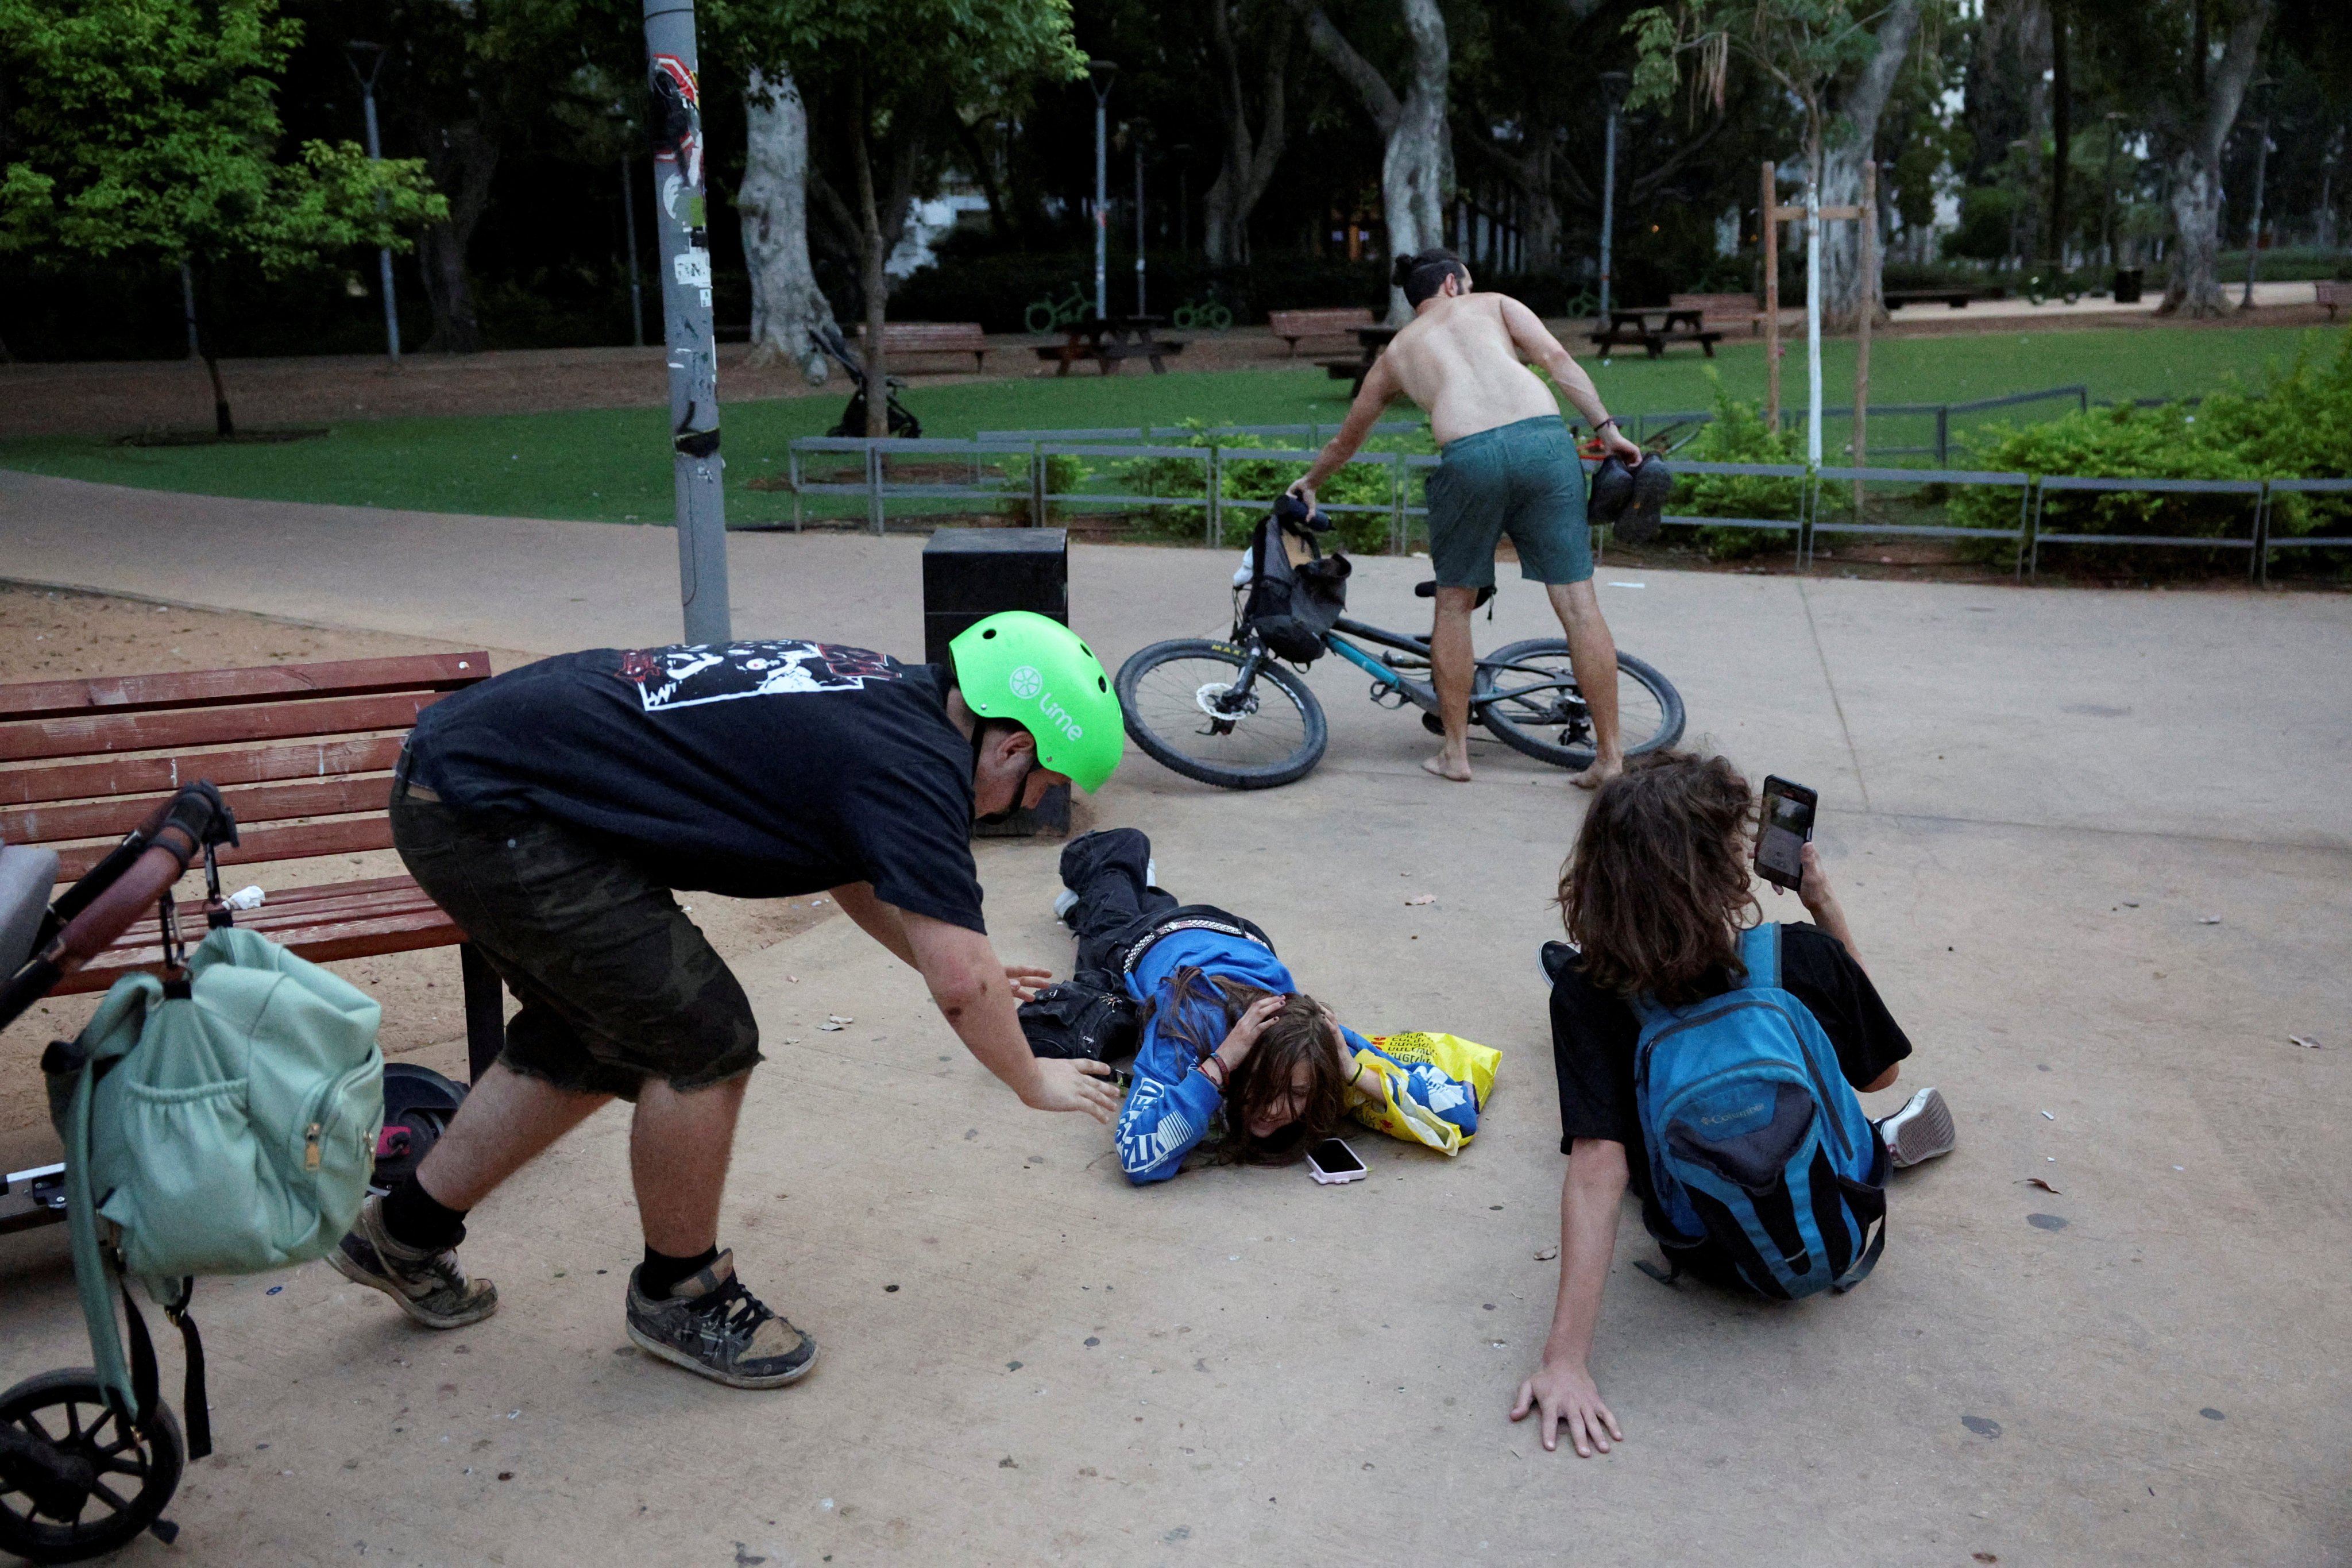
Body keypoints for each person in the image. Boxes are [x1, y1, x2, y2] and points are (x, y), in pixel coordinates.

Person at [332, 615, 1125, 1389]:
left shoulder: (891, 702)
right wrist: (1029, 1075)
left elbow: (854, 867)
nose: (1030, 803)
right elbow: (966, 986)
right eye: (1042, 783)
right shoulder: (914, 766)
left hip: (482, 771)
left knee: (589, 1033)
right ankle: (682, 1293)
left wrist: (945, 959)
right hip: (491, 803)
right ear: (1013, 743)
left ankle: (403, 1234)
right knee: (701, 1037)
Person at [1512, 752, 1956, 1455]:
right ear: (1724, 870)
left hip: (1705, 1243)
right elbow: (1881, 1070)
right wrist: (1823, 908)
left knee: (1619, 1120)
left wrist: (1565, 1361)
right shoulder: (1802, 955)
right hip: (1840, 1211)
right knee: (1844, 1100)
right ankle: (1877, 1145)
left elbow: (1599, 1168)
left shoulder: (1588, 996)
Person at [1285, 248, 1647, 789]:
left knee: (1454, 606)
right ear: (1454, 285)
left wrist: (1310, 483)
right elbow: (1558, 362)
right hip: (1544, 446)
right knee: (1577, 604)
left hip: (1468, 458)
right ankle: (1610, 757)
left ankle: (1455, 753)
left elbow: (1348, 438)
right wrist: (1608, 429)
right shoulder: (1497, 305)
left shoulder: (1396, 353)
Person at [1032, 828, 1481, 1182]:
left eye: (1300, 1093)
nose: (1277, 1109)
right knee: (1106, 919)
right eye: (1268, 1087)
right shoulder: (1188, 1025)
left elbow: (1462, 1111)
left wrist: (1354, 1070)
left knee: (1135, 910)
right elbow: (1139, 1159)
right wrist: (1219, 1065)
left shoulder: (1314, 1035)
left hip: (1232, 933)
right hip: (1143, 946)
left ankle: (1136, 894)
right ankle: (1114, 854)